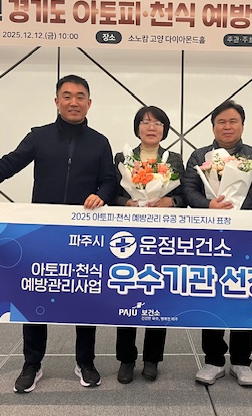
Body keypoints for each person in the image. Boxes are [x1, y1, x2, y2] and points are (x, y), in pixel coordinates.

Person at [0, 74, 118, 392]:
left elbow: (110, 179)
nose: (73, 102)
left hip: (82, 234)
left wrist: (102, 195)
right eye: (67, 96)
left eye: (80, 96)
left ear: (89, 103)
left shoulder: (99, 142)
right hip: (41, 234)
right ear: (56, 101)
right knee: (35, 296)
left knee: (85, 296)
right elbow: (7, 165)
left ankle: (85, 361)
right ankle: (32, 363)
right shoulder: (39, 137)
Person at [183, 100, 252, 387]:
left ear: (242, 125)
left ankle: (241, 361)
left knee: (244, 294)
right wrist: (208, 204)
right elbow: (188, 191)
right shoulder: (199, 156)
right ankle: (213, 360)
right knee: (211, 294)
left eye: (233, 121)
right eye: (221, 121)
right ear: (213, 127)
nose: (227, 126)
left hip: (248, 238)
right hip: (210, 238)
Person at [113, 105, 186, 384]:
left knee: (157, 294)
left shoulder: (174, 159)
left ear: (164, 130)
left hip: (161, 236)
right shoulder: (123, 158)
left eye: (157, 123)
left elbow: (185, 193)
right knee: (127, 294)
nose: (151, 127)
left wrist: (172, 200)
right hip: (128, 236)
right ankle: (126, 358)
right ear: (137, 128)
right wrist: (126, 202)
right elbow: (111, 190)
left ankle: (152, 358)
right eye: (145, 122)